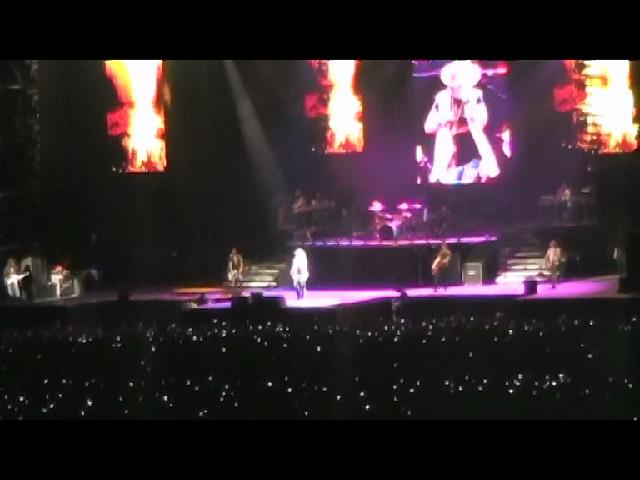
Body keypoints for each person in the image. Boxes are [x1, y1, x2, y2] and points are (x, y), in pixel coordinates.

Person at [424, 60, 500, 184]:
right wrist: (441, 120)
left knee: (477, 133)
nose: (461, 83)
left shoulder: (475, 96)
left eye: (465, 77)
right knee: (443, 133)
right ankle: (438, 174)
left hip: (471, 149)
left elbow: (483, 120)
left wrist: (471, 117)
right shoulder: (442, 98)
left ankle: (491, 170)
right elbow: (428, 127)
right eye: (458, 77)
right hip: (448, 152)